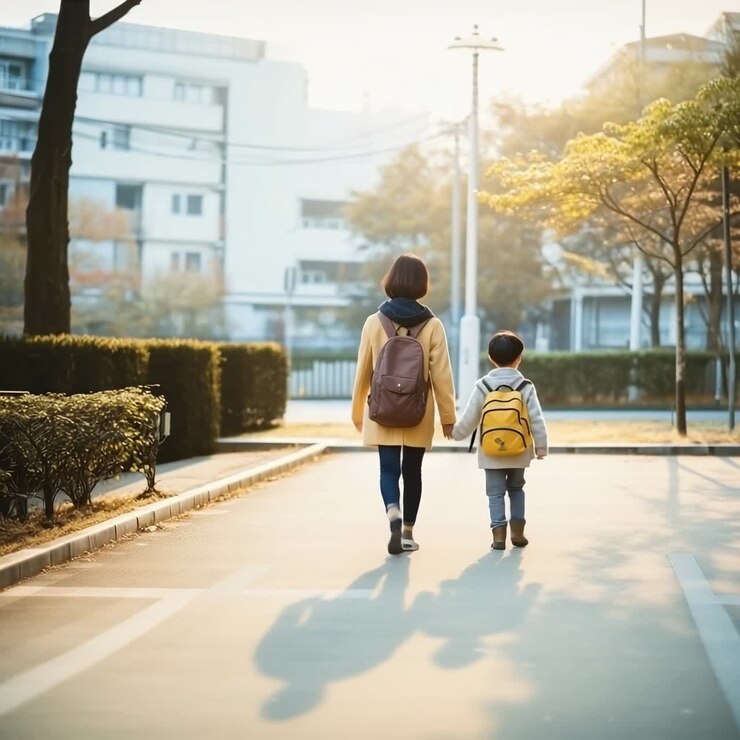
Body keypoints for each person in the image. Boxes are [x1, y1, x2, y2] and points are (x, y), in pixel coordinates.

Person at [351, 254, 456, 555]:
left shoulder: (374, 322)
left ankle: (392, 512)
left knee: (387, 470)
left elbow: (363, 370)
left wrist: (358, 411)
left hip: (382, 409)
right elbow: (442, 375)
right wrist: (448, 417)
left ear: (391, 280)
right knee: (413, 473)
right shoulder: (433, 325)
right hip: (417, 410)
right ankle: (408, 533)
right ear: (422, 284)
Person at [451, 330, 548, 550]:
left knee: (495, 493)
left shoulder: (483, 386)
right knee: (516, 488)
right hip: (519, 450)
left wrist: (456, 433)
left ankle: (498, 537)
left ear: (491, 358)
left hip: (490, 451)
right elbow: (536, 419)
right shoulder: (525, 386)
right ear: (519, 358)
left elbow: (470, 417)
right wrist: (541, 447)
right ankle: (518, 532)